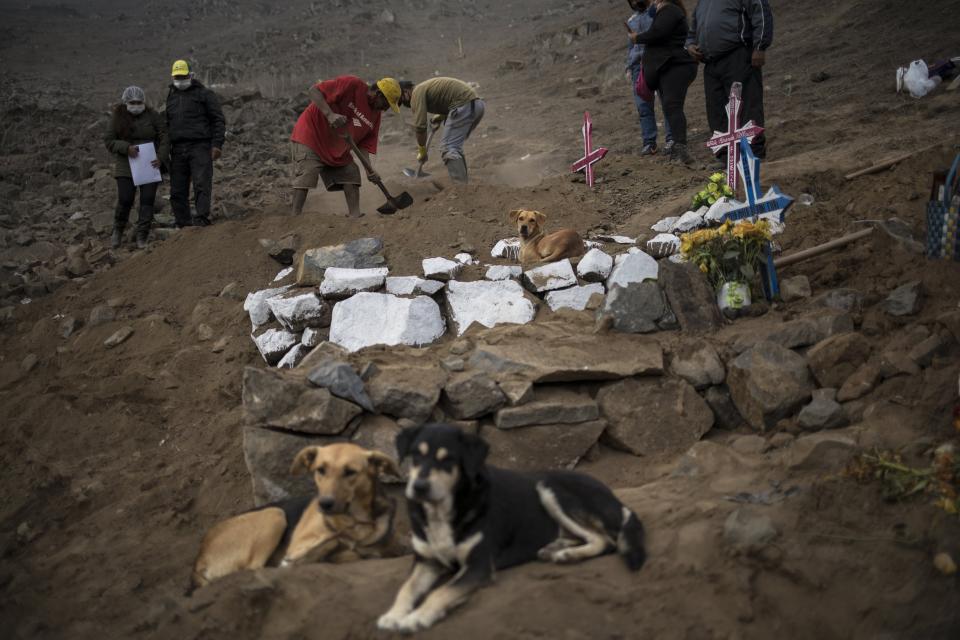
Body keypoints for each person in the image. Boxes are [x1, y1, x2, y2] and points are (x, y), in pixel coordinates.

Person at [290, 76, 399, 218]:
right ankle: (294, 217)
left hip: (336, 147)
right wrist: (329, 114)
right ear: (378, 94)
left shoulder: (375, 116)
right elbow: (313, 90)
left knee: (351, 173)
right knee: (307, 174)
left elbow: (364, 144)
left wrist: (369, 170)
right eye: (386, 103)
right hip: (311, 135)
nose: (386, 109)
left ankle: (355, 217)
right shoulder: (353, 85)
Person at [686, 0, 773, 159]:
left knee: (746, 107)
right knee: (716, 112)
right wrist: (690, 45)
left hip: (738, 55)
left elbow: (760, 12)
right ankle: (726, 158)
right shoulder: (702, 3)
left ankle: (753, 155)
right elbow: (693, 31)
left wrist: (760, 46)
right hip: (711, 64)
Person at [631, 0, 698, 165]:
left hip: (675, 67)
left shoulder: (670, 10)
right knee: (670, 106)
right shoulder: (665, 12)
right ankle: (678, 146)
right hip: (667, 67)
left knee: (672, 106)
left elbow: (657, 33)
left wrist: (636, 37)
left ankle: (680, 146)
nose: (653, 2)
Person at [103, 86, 168, 250]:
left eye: (139, 102)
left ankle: (142, 235)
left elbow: (165, 135)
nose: (136, 105)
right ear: (126, 102)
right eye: (132, 102)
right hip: (126, 164)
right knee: (125, 199)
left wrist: (161, 157)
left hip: (149, 163)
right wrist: (125, 147)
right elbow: (109, 140)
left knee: (147, 200)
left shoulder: (152, 116)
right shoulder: (118, 117)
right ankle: (118, 230)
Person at [166, 59, 225, 227]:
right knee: (177, 189)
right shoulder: (171, 96)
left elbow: (218, 120)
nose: (180, 79)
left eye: (183, 76)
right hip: (177, 148)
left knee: (201, 183)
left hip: (200, 145)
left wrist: (217, 144)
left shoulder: (204, 94)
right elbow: (166, 123)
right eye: (177, 77)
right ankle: (182, 222)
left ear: (190, 75)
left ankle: (201, 218)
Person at [398, 77, 485, 183]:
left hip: (464, 105)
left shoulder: (416, 92)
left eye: (401, 99)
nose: (403, 103)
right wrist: (441, 116)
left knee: (448, 148)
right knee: (454, 147)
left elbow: (420, 126)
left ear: (406, 91)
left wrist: (422, 150)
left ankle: (461, 188)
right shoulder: (424, 88)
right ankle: (464, 183)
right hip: (476, 105)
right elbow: (447, 95)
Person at [626, 0, 673, 156]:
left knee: (667, 101)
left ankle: (672, 139)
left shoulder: (656, 13)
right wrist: (629, 66)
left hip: (657, 60)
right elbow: (631, 46)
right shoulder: (631, 21)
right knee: (643, 106)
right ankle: (649, 142)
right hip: (638, 67)